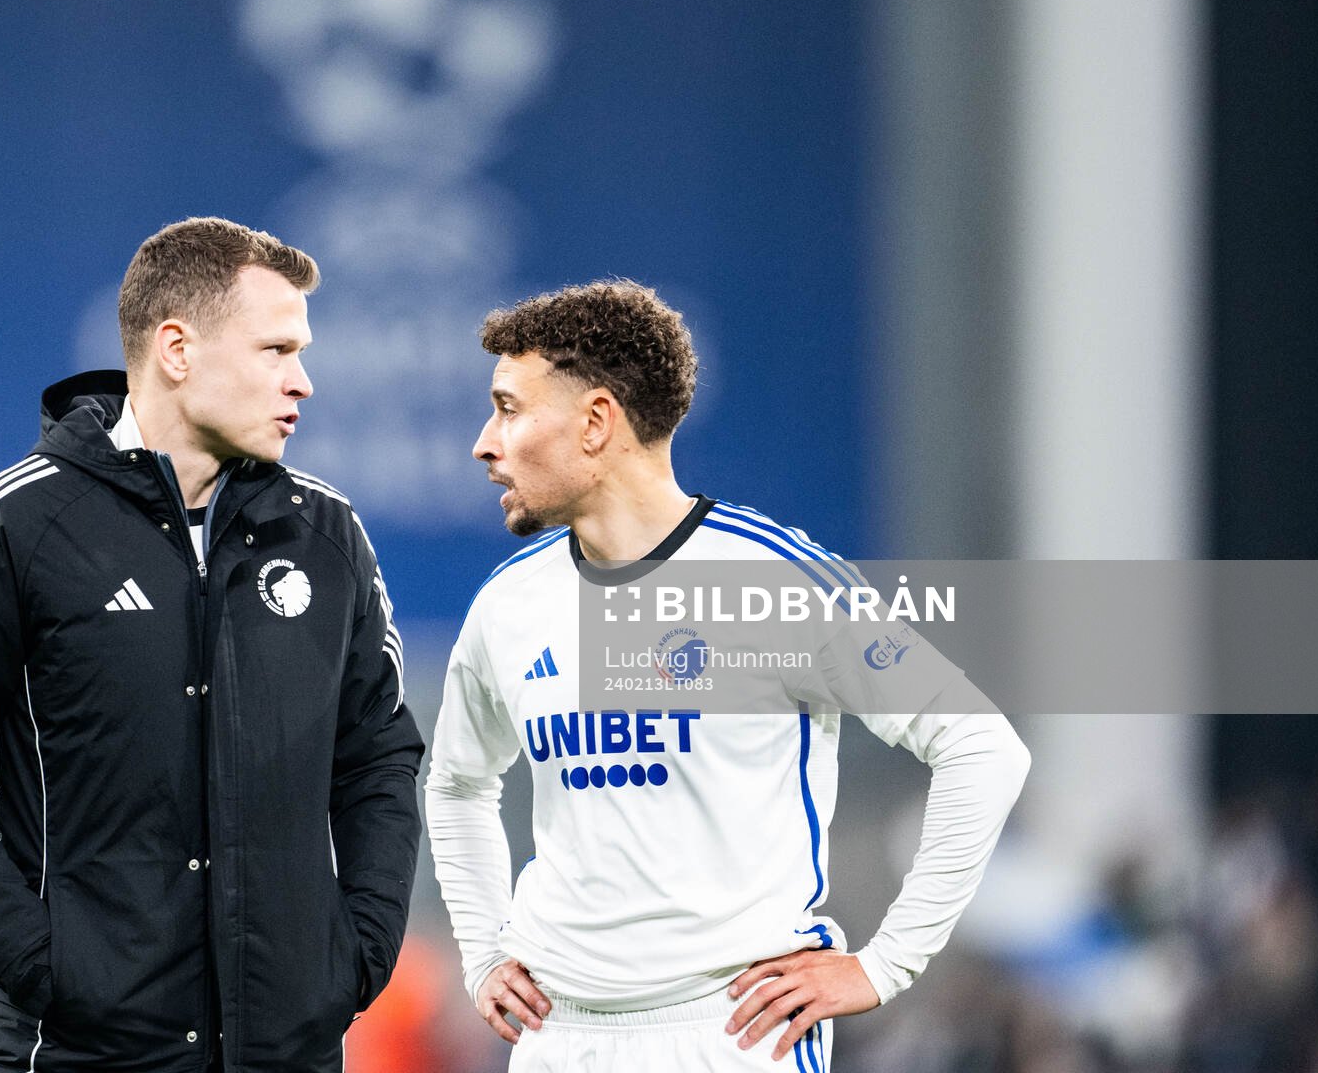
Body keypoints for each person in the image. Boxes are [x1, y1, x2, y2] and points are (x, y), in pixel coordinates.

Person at [0, 218, 426, 1073]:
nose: (302, 381)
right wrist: (46, 965)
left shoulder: (326, 535)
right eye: (275, 350)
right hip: (72, 1053)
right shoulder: (10, 527)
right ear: (177, 350)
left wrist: (359, 953)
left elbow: (378, 756)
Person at [425, 279, 1030, 1071]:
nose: (485, 442)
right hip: (558, 1038)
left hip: (734, 1033)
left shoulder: (772, 581)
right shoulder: (509, 603)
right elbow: (458, 784)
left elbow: (981, 747)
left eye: (508, 409)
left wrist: (887, 965)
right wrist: (481, 950)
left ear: (597, 422)